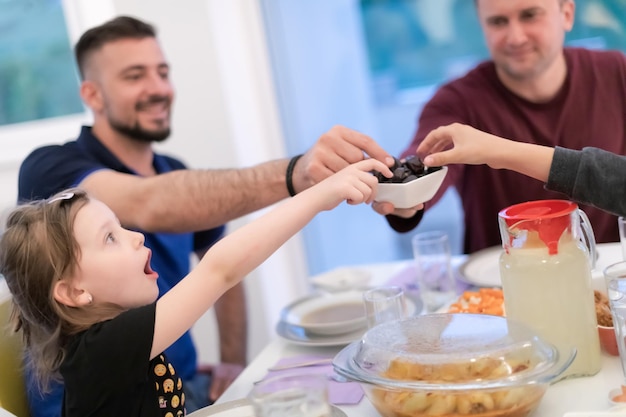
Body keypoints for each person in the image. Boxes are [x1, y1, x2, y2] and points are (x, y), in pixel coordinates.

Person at [17, 15, 394, 416]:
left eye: (163, 72)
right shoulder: (52, 173)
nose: (158, 88)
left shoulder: (175, 172)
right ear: (92, 94)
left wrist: (232, 362)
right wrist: (312, 186)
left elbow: (222, 266)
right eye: (134, 75)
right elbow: (181, 231)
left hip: (175, 382)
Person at [1, 158, 392, 417]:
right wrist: (320, 195)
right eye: (110, 238)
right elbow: (218, 270)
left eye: (122, 227)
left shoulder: (110, 345)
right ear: (73, 293)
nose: (136, 237)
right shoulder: (103, 348)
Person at [373, 0, 626, 253]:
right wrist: (402, 195)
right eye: (498, 22)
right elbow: (424, 159)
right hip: (500, 286)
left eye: (530, 16)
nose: (515, 38)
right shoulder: (457, 101)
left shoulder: (617, 73)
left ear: (567, 14)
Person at [419, 123, 626, 217]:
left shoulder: (617, 70)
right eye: (498, 30)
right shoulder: (459, 95)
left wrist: (500, 151)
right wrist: (409, 192)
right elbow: (428, 148)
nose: (516, 38)